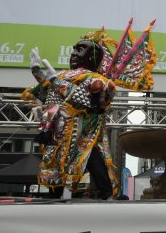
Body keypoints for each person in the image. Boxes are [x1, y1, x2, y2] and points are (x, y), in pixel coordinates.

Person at [24, 40, 118, 200]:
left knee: (93, 159)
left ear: (92, 57)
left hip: (83, 132)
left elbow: (86, 101)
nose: (74, 53)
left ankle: (107, 194)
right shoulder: (63, 74)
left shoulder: (96, 78)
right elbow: (48, 93)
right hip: (59, 132)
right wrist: (37, 71)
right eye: (74, 49)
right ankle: (55, 198)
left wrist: (55, 81)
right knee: (57, 167)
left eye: (80, 49)